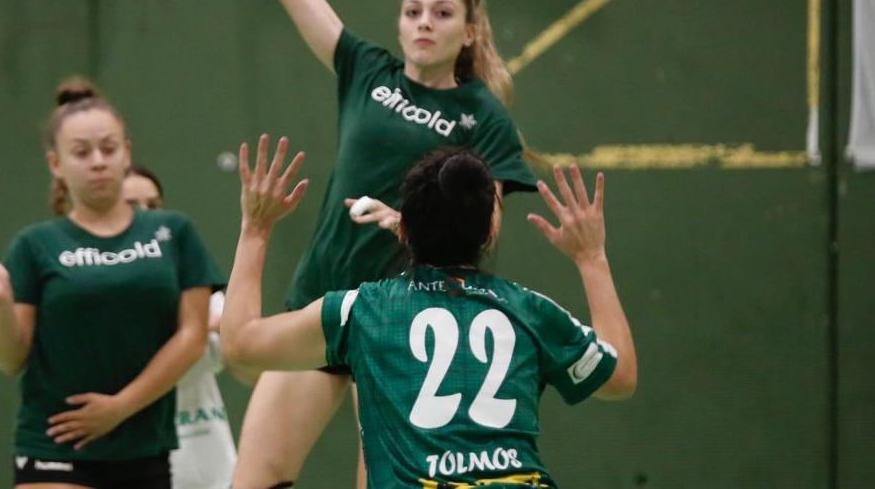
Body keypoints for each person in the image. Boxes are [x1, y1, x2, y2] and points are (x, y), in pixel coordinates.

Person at [238, 0, 540, 488]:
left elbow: (483, 232)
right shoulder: (365, 71)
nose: (424, 22)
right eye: (412, 10)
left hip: (403, 325)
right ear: (399, 21)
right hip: (322, 301)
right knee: (254, 479)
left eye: (441, 12)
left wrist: (406, 222)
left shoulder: (481, 116)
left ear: (468, 31)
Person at [222, 135, 636, 488]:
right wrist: (592, 257)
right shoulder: (530, 310)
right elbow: (620, 378)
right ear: (489, 232)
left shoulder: (361, 310)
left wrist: (255, 229)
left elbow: (239, 344)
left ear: (402, 229)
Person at [0, 77, 226, 489]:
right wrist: (2, 302)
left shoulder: (174, 233)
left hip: (145, 447)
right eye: (81, 152)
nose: (97, 161)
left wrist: (119, 407)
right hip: (54, 445)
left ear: (127, 153)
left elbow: (192, 336)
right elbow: (10, 359)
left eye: (109, 149)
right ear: (56, 164)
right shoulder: (34, 245)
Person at [123, 163, 247, 489]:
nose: (146, 216)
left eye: (153, 205)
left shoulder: (191, 280)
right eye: (131, 207)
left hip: (217, 475)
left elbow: (242, 348)